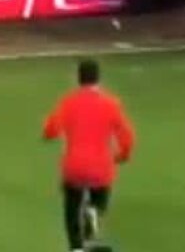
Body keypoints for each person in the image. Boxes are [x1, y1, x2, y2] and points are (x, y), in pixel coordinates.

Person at [42, 59, 136, 252]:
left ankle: (75, 247)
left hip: (74, 166)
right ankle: (94, 210)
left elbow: (50, 130)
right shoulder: (111, 104)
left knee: (71, 207)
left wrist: (50, 133)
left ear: (78, 78)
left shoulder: (68, 102)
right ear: (98, 79)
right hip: (101, 166)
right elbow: (127, 137)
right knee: (101, 194)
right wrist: (122, 155)